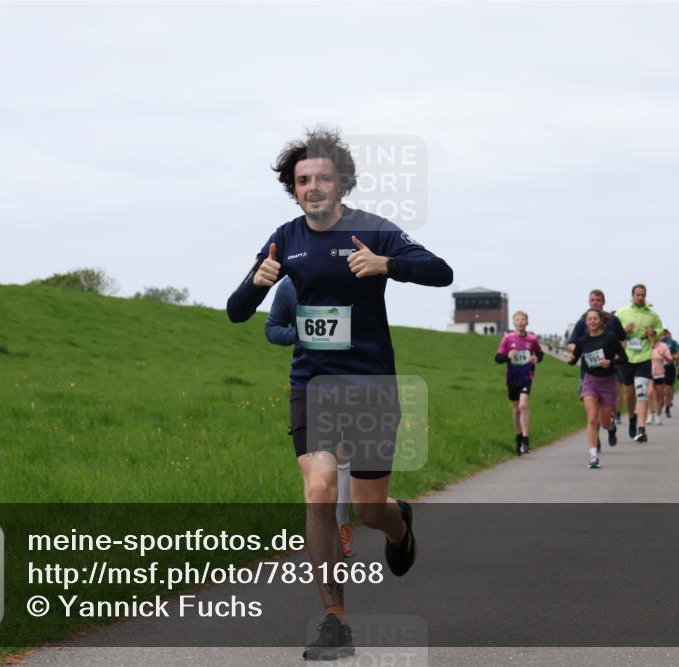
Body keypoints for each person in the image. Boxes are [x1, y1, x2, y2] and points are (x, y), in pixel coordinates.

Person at [227, 127, 453, 660]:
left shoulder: (374, 230)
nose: (313, 187)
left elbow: (441, 273)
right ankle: (335, 620)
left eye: (323, 177)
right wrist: (258, 283)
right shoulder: (285, 237)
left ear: (342, 182)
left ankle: (399, 524)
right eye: (303, 180)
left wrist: (388, 265)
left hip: (372, 384)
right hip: (314, 385)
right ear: (293, 187)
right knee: (321, 487)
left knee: (370, 511)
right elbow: (237, 311)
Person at [265, 276, 355, 559]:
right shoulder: (289, 287)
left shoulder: (351, 280)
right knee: (320, 469)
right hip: (309, 385)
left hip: (351, 380)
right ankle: (330, 533)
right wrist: (299, 335)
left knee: (344, 454)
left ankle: (343, 523)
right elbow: (272, 329)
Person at [568, 309, 629, 469]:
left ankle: (611, 426)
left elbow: (624, 358)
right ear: (586, 322)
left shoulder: (610, 338)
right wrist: (571, 359)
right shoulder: (582, 340)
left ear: (601, 321)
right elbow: (573, 360)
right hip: (590, 381)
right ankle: (593, 456)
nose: (592, 321)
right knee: (592, 417)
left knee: (603, 422)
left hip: (608, 382)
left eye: (595, 319)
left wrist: (611, 362)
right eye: (589, 319)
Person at [614, 285, 664, 443]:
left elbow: (660, 329)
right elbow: (611, 332)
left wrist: (654, 333)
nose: (641, 297)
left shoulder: (652, 315)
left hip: (644, 355)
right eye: (638, 295)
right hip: (626, 356)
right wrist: (624, 331)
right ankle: (632, 419)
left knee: (641, 391)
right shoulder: (621, 312)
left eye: (643, 295)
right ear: (632, 296)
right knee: (629, 393)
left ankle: (642, 429)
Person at [495, 311, 545, 455]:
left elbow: (540, 354)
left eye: (523, 319)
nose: (520, 322)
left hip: (527, 376)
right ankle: (518, 437)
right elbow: (497, 358)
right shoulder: (507, 339)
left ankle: (526, 439)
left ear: (527, 322)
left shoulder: (532, 339)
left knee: (523, 404)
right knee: (516, 409)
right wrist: (507, 356)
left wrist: (536, 359)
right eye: (517, 320)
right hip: (512, 378)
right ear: (514, 322)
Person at [650, 336, 673, 425]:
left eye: (655, 334)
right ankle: (650, 414)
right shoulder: (646, 345)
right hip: (648, 373)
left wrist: (664, 356)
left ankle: (658, 415)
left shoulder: (663, 346)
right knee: (649, 393)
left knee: (659, 396)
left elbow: (670, 360)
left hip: (659, 373)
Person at [659, 329, 679, 417]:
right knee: (660, 390)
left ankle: (667, 409)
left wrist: (672, 358)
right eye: (662, 332)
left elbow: (677, 354)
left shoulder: (672, 342)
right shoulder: (657, 342)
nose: (663, 334)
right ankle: (660, 405)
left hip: (669, 367)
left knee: (668, 390)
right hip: (659, 368)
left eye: (665, 332)